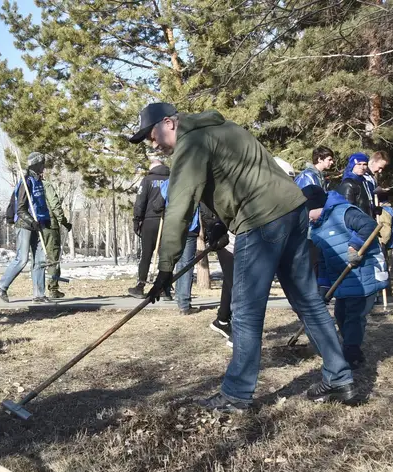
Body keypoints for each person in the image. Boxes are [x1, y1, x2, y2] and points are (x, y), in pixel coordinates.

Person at [129, 102, 356, 412]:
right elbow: (237, 177)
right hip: (293, 210)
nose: (151, 144)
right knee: (307, 300)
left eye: (151, 135)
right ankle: (340, 378)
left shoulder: (190, 142)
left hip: (261, 219)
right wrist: (222, 223)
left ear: (169, 123)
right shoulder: (223, 128)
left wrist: (166, 267)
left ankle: (236, 395)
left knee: (245, 310)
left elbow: (180, 206)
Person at [304, 185, 389, 369]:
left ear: (320, 205)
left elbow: (369, 226)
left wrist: (354, 246)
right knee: (341, 315)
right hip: (342, 281)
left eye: (309, 212)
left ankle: (351, 353)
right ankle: (354, 352)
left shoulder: (344, 212)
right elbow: (324, 261)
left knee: (353, 316)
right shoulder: (317, 229)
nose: (308, 217)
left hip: (362, 275)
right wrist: (324, 288)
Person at [0, 152, 50, 303]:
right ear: (36, 164)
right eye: (42, 163)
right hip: (24, 225)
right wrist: (31, 221)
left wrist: (45, 220)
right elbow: (20, 208)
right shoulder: (26, 182)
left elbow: (39, 205)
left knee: (40, 259)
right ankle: (2, 285)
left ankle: (39, 294)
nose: (44, 166)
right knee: (22, 259)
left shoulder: (39, 181)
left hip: (37, 225)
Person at [128, 159, 172, 300]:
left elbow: (140, 201)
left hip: (150, 221)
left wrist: (137, 220)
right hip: (168, 221)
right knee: (165, 256)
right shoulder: (172, 179)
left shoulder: (148, 180)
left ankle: (140, 286)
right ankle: (165, 289)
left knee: (146, 254)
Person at [201, 204, 234, 347]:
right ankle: (238, 332)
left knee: (231, 281)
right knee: (237, 285)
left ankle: (222, 320)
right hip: (228, 241)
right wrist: (215, 227)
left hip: (242, 240)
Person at [41, 170, 72, 299]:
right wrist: (64, 221)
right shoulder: (46, 185)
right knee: (53, 257)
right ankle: (53, 289)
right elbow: (54, 204)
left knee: (39, 259)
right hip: (49, 225)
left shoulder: (28, 186)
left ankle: (38, 290)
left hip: (34, 225)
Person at [337, 153, 373, 217]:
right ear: (352, 165)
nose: (362, 167)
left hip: (368, 221)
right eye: (359, 164)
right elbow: (347, 209)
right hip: (357, 222)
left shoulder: (366, 183)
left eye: (365, 164)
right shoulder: (348, 183)